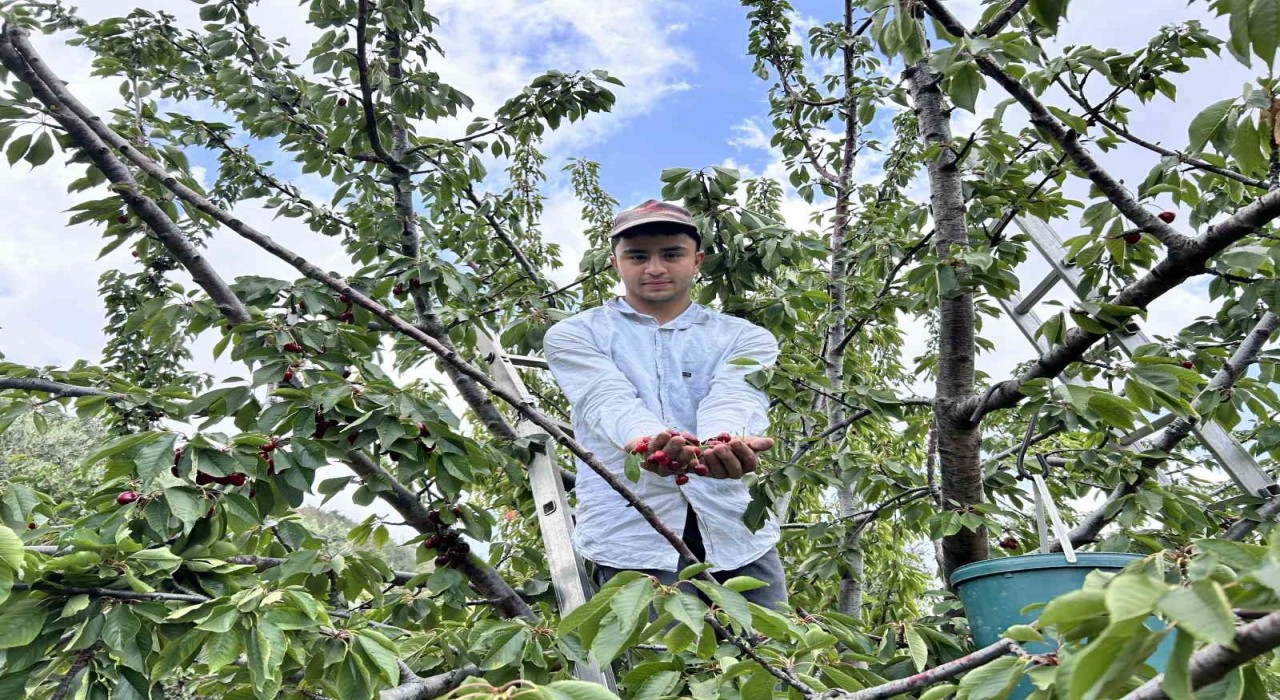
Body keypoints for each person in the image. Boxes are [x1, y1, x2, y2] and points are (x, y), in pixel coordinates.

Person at [542, 199, 788, 613]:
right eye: (637, 256)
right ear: (615, 264)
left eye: (671, 254)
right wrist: (646, 443)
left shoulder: (745, 337)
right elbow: (606, 398)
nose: (654, 268)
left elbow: (736, 394)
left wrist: (721, 443)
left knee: (776, 658)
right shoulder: (573, 335)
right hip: (631, 538)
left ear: (697, 261)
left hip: (735, 529)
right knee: (669, 663)